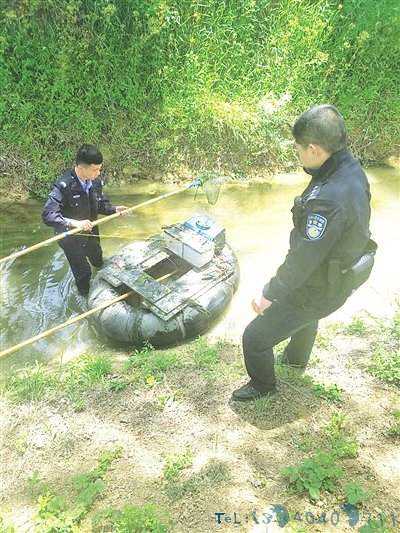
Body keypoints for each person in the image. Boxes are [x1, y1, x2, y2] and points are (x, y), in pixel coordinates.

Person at [232, 104, 376, 401]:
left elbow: (302, 260)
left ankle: (263, 386)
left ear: (314, 149)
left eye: (298, 150)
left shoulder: (328, 200)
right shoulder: (351, 170)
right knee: (306, 313)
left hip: (321, 288)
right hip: (338, 279)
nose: (297, 156)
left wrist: (269, 293)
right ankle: (295, 361)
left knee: (254, 338)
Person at [42, 144, 128, 296]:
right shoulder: (64, 186)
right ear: (81, 168)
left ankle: (104, 280)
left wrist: (114, 209)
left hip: (91, 231)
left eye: (99, 169)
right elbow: (48, 215)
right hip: (70, 237)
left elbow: (100, 204)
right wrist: (74, 223)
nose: (98, 173)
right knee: (83, 272)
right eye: (95, 170)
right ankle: (84, 294)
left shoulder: (95, 182)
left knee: (98, 258)